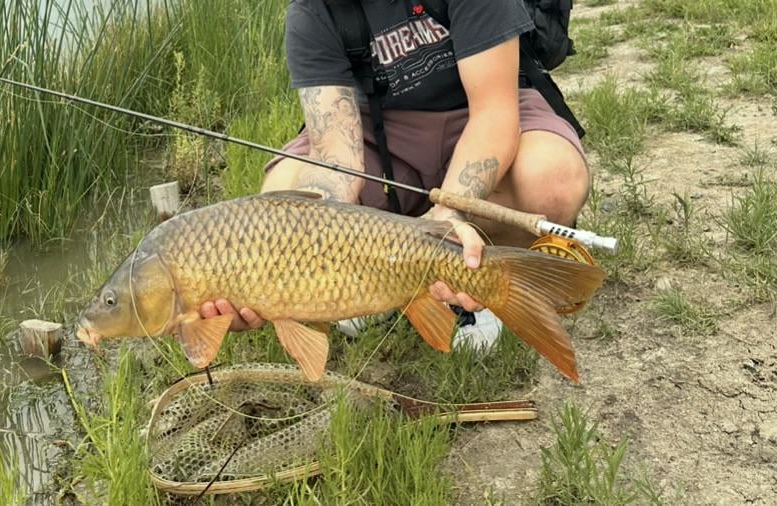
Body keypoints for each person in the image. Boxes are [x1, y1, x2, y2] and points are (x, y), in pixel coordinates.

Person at [199, 0, 589, 349]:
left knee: (552, 179)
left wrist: (448, 216)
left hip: (476, 113)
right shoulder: (312, 12)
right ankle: (371, 282)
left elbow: (493, 116)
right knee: (282, 194)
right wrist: (311, 234)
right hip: (379, 132)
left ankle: (476, 281)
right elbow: (336, 150)